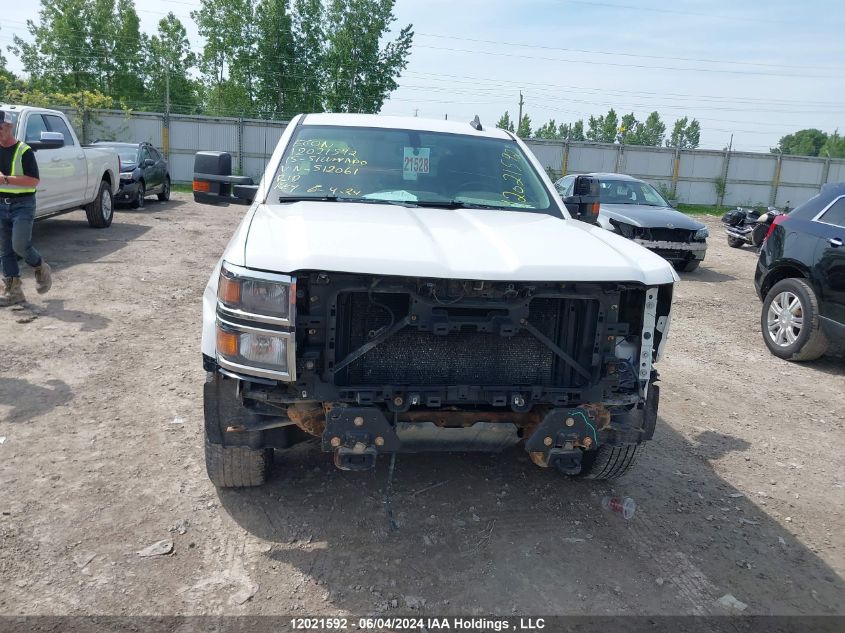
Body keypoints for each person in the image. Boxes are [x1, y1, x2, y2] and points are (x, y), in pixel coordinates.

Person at [0, 109, 51, 306]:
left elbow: (33, 180)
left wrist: (5, 179)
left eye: (0, 128)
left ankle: (40, 267)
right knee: (4, 251)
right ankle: (13, 292)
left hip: (22, 204)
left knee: (19, 245)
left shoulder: (24, 151)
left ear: (9, 127)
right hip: (1, 203)